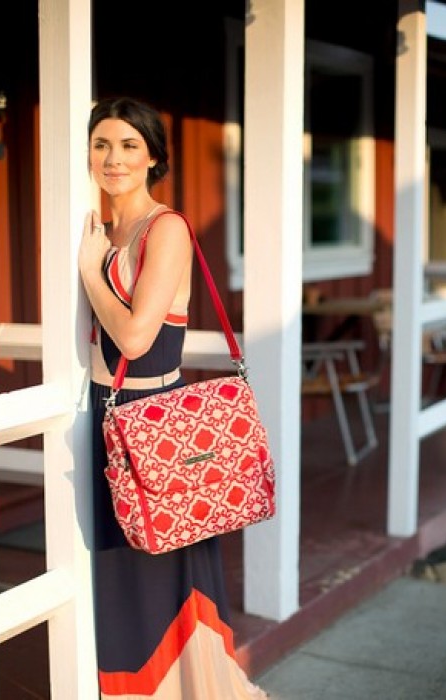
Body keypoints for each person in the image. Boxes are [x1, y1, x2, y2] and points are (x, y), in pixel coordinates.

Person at [78, 96, 268, 699]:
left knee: (159, 569)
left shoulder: (167, 229)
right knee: (117, 569)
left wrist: (92, 272)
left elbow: (137, 336)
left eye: (129, 145)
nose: (113, 158)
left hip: (154, 420)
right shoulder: (100, 228)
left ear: (154, 157)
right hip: (104, 415)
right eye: (102, 144)